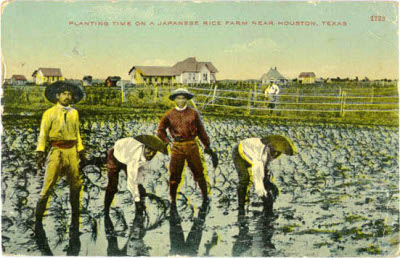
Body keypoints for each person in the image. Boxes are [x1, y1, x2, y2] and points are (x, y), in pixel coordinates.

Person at [35, 81, 86, 235]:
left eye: (69, 94)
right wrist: (40, 153)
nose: (67, 97)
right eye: (64, 94)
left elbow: (77, 133)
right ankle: (37, 222)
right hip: (56, 150)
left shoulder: (74, 113)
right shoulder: (49, 113)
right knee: (48, 185)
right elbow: (43, 134)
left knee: (76, 185)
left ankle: (75, 222)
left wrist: (81, 150)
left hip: (71, 151)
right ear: (57, 96)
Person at [157, 88, 218, 207]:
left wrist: (207, 145)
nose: (181, 100)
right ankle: (173, 200)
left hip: (192, 145)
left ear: (187, 99)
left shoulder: (193, 113)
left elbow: (201, 130)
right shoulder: (169, 114)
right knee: (174, 175)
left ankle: (205, 197)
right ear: (174, 100)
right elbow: (160, 130)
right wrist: (167, 141)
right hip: (177, 147)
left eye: (183, 98)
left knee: (199, 172)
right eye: (178, 98)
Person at [104, 135, 168, 215]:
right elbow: (131, 182)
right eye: (149, 150)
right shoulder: (134, 157)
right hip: (115, 156)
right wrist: (137, 200)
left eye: (154, 152)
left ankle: (141, 208)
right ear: (144, 147)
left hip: (126, 154)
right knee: (112, 186)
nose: (151, 154)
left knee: (138, 185)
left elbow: (140, 174)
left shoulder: (145, 156)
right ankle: (106, 212)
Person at [232, 135, 296, 215]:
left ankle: (266, 208)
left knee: (265, 178)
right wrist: (263, 196)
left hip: (252, 154)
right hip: (239, 152)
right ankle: (241, 208)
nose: (276, 154)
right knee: (245, 179)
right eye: (274, 152)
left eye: (278, 153)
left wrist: (270, 185)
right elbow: (257, 179)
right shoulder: (259, 158)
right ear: (270, 148)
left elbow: (264, 171)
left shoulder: (272, 153)